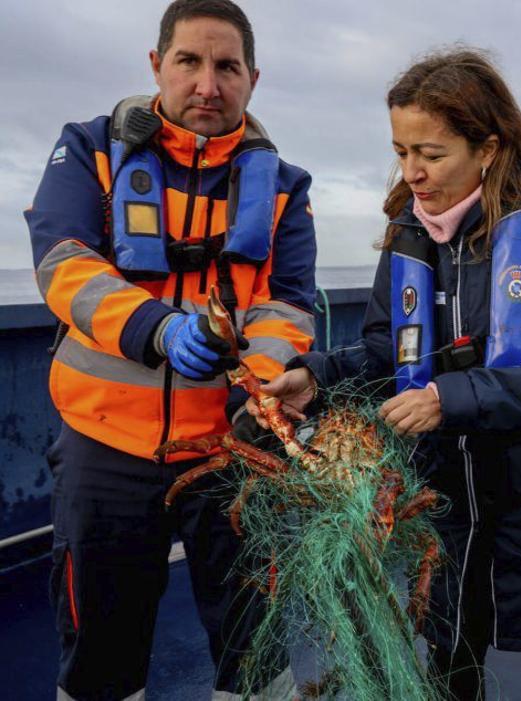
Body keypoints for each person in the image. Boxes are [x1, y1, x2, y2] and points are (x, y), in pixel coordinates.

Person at [256, 49, 521, 700]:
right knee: (449, 657)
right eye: (401, 152)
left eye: (431, 152)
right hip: (447, 497)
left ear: (487, 147)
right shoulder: (406, 238)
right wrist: (316, 375)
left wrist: (448, 397)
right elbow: (383, 349)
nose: (411, 171)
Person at [24, 1, 316, 698]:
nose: (207, 84)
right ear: (158, 66)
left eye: (227, 67)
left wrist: (266, 377)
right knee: (100, 650)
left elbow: (289, 305)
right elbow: (64, 262)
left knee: (256, 644)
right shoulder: (89, 149)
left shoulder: (285, 187)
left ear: (254, 78)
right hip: (106, 447)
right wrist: (160, 330)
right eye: (189, 61)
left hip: (233, 452)